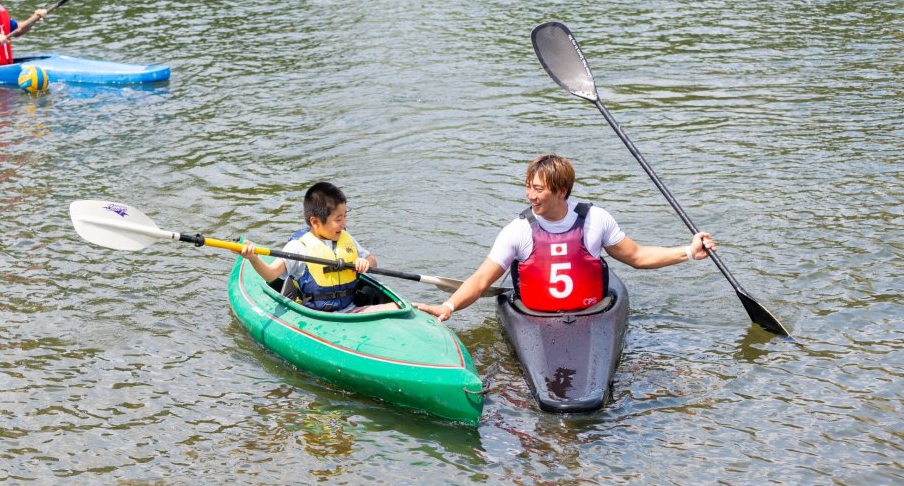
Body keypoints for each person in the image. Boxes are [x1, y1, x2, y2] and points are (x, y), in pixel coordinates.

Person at [414, 153, 716, 320]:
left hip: (591, 316)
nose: (530, 196)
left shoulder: (595, 220)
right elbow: (481, 281)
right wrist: (449, 306)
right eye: (528, 186)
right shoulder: (518, 230)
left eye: (539, 189)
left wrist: (688, 252)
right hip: (534, 318)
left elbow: (636, 257)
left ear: (561, 191)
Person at [240, 182, 398, 314]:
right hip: (318, 315)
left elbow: (373, 261)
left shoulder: (345, 238)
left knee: (397, 306)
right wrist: (253, 258)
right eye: (338, 219)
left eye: (345, 216)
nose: (344, 224)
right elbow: (270, 275)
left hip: (352, 310)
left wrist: (365, 263)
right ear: (315, 222)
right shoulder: (298, 247)